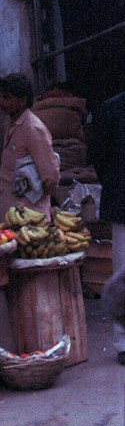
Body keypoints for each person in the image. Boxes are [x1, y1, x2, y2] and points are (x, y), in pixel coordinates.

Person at [90, 89, 125, 363]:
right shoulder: (112, 109)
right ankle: (124, 343)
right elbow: (98, 156)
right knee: (123, 275)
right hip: (123, 204)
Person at [0, 72, 60, 222]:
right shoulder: (10, 123)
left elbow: (50, 175)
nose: (1, 102)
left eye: (6, 97)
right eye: (0, 96)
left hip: (29, 213)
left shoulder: (32, 128)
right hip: (9, 209)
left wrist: (36, 196)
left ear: (22, 100)